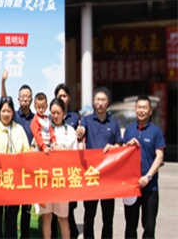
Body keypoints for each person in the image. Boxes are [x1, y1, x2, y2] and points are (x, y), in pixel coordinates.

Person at [75, 86, 122, 239]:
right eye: (97, 100)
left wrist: (114, 147)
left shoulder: (114, 124)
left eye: (103, 100)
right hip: (92, 175)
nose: (100, 103)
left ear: (108, 102)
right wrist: (80, 133)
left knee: (108, 217)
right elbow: (81, 132)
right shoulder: (87, 120)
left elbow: (119, 145)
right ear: (94, 102)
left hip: (108, 176)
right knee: (89, 215)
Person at [0, 97, 30, 239]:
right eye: (3, 111)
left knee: (11, 216)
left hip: (14, 179)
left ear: (12, 112)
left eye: (8, 111)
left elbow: (26, 150)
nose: (5, 114)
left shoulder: (18, 129)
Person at [123, 95, 165, 239]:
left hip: (150, 187)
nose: (141, 110)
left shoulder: (156, 131)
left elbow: (159, 156)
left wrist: (148, 177)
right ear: (135, 110)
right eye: (139, 107)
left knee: (149, 227)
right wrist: (127, 145)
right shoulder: (129, 130)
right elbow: (122, 154)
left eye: (144, 108)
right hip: (131, 187)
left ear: (150, 111)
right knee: (130, 226)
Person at [39, 98, 78, 239]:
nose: (55, 116)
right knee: (47, 217)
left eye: (58, 113)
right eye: (53, 113)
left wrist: (62, 149)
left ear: (64, 113)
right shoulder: (44, 129)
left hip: (62, 180)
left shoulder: (70, 131)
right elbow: (35, 148)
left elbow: (75, 156)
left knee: (63, 218)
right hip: (46, 180)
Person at [2, 72, 35, 239]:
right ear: (18, 98)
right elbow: (4, 101)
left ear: (31, 99)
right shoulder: (13, 115)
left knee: (26, 209)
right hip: (13, 169)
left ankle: (25, 236)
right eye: (22, 97)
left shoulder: (36, 119)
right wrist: (3, 82)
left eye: (28, 97)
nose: (25, 99)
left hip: (29, 168)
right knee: (12, 208)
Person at [54, 82, 80, 238]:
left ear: (69, 98)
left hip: (67, 174)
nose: (62, 98)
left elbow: (78, 144)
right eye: (59, 96)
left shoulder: (75, 118)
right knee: (52, 215)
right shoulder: (49, 122)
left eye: (64, 96)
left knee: (68, 212)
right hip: (52, 174)